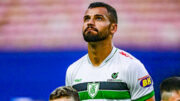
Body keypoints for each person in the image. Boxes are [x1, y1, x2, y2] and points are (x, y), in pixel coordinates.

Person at [66, 2, 155, 101]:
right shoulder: (73, 71)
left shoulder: (132, 66)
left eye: (98, 18)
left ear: (113, 28)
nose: (90, 22)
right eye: (87, 18)